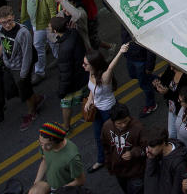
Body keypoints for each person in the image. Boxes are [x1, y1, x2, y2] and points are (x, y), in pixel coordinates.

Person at [0, 5, 45, 131]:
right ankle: (36, 98)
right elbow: (3, 45)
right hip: (9, 64)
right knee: (12, 90)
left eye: (9, 21)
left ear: (13, 17)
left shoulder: (23, 33)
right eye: (4, 22)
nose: (7, 25)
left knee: (25, 92)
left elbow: (27, 55)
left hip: (20, 67)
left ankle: (32, 113)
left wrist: (23, 74)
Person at [85, 44, 129, 172]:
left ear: (94, 64)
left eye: (86, 64)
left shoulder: (104, 77)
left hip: (109, 111)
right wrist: (89, 101)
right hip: (97, 110)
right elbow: (92, 90)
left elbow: (110, 67)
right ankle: (100, 160)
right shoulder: (91, 73)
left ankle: (123, 159)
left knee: (116, 137)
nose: (83, 66)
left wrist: (120, 52)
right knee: (99, 136)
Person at [50, 15, 87, 133]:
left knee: (66, 104)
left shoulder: (64, 49)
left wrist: (61, 91)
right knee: (83, 98)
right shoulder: (73, 33)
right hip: (82, 74)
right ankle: (86, 115)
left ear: (55, 31)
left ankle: (66, 126)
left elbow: (66, 73)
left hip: (73, 81)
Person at [100, 103, 147, 194]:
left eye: (125, 121)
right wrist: (109, 165)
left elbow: (147, 148)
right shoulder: (107, 127)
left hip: (136, 172)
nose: (123, 125)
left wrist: (133, 153)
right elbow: (106, 148)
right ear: (113, 121)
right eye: (119, 123)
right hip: (119, 171)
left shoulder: (139, 128)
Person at [20, 0, 56, 84]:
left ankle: (43, 70)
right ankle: (43, 69)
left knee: (46, 45)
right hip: (34, 22)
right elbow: (24, 2)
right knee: (44, 45)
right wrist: (24, 17)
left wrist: (53, 24)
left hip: (45, 23)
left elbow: (52, 8)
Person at [30, 122, 85, 194]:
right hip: (52, 187)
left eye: (48, 145)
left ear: (58, 141)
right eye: (40, 143)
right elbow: (45, 160)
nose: (43, 148)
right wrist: (36, 182)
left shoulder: (72, 158)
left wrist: (60, 191)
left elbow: (81, 181)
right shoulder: (45, 144)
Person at [143, 128, 187, 194]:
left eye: (153, 146)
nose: (149, 149)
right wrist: (151, 159)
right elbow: (150, 175)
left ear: (163, 143)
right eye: (148, 146)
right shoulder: (156, 153)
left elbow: (177, 189)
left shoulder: (179, 164)